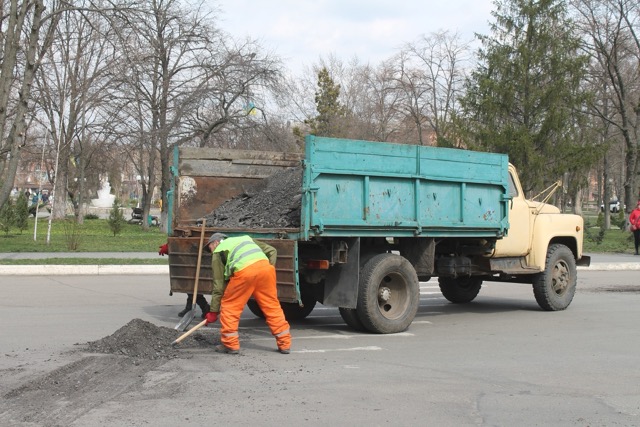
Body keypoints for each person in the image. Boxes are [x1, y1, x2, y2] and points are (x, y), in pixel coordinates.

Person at [204, 233, 291, 355]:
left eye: (210, 248)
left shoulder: (219, 251)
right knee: (272, 307)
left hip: (245, 273)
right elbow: (272, 250)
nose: (211, 252)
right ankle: (284, 344)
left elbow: (218, 286)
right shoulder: (245, 239)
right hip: (266, 270)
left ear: (216, 242)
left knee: (230, 307)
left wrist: (213, 311)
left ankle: (231, 345)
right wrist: (266, 269)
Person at [158, 243, 210, 317]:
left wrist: (168, 247)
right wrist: (168, 246)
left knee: (191, 287)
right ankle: (195, 308)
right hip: (190, 260)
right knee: (190, 286)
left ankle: (204, 307)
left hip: (196, 259)